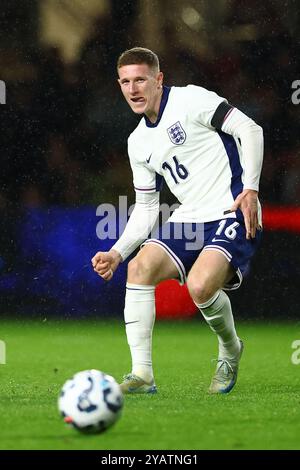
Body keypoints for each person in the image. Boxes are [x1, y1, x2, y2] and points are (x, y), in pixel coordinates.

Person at [92, 47, 263, 395]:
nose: (133, 89)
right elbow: (146, 208)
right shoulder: (137, 142)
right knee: (139, 269)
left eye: (140, 79)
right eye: (125, 82)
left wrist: (251, 189)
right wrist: (117, 252)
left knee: (201, 287)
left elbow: (251, 129)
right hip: (191, 216)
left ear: (159, 79)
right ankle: (142, 375)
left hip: (233, 208)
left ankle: (230, 349)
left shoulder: (191, 100)